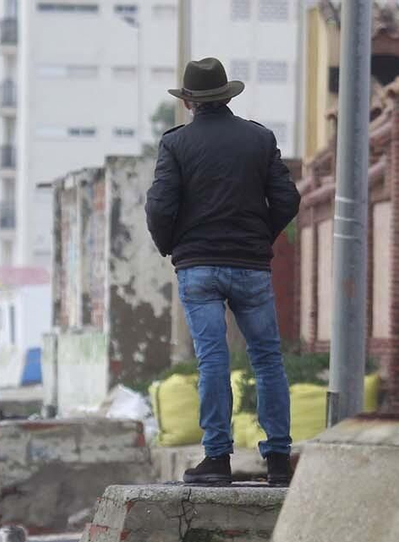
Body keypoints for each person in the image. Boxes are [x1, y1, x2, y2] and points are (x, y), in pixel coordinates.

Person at [145, 57, 301, 487]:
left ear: (190, 101)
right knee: (267, 360)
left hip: (199, 268)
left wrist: (171, 246)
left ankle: (216, 460)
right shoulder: (259, 138)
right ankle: (277, 461)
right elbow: (287, 199)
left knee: (213, 358)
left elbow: (160, 204)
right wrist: (260, 238)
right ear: (227, 96)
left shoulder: (175, 145)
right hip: (251, 267)